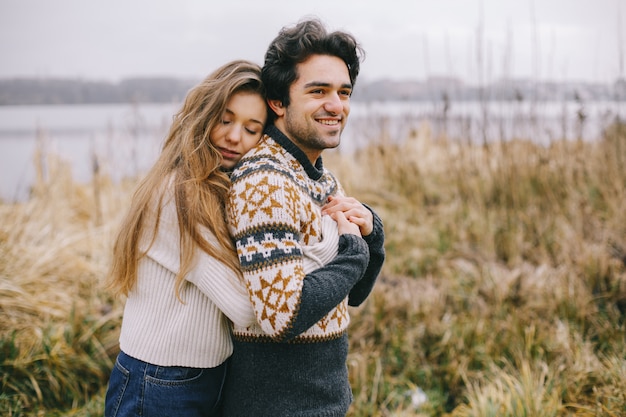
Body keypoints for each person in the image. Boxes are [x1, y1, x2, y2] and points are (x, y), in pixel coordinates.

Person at [222, 18, 386, 416]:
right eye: (318, 91)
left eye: (344, 92)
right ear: (278, 102)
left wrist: (371, 232)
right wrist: (353, 251)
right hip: (277, 406)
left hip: (322, 402)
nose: (336, 105)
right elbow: (283, 316)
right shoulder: (264, 180)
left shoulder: (320, 176)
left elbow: (354, 292)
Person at [103, 60, 269, 417]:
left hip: (200, 378)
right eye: (225, 120)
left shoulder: (220, 190)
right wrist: (329, 245)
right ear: (203, 116)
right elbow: (244, 306)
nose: (234, 137)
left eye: (252, 129)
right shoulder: (178, 194)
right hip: (159, 384)